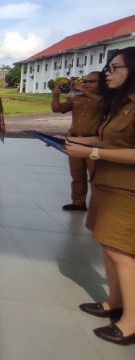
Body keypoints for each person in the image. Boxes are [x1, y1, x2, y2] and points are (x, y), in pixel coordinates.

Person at [64, 46, 135, 346]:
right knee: (108, 248)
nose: (108, 73)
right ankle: (113, 302)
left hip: (127, 189)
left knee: (123, 254)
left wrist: (91, 151)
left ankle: (131, 323)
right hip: (106, 183)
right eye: (107, 68)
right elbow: (109, 138)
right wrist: (75, 141)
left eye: (115, 68)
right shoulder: (119, 105)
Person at [52, 71, 103, 211]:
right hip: (75, 139)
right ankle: (78, 202)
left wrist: (84, 90)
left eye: (91, 81)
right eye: (85, 81)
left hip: (94, 141)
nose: (86, 84)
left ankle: (97, 206)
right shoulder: (77, 99)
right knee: (77, 173)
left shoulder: (105, 99)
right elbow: (57, 109)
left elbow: (105, 105)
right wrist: (55, 95)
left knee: (95, 176)